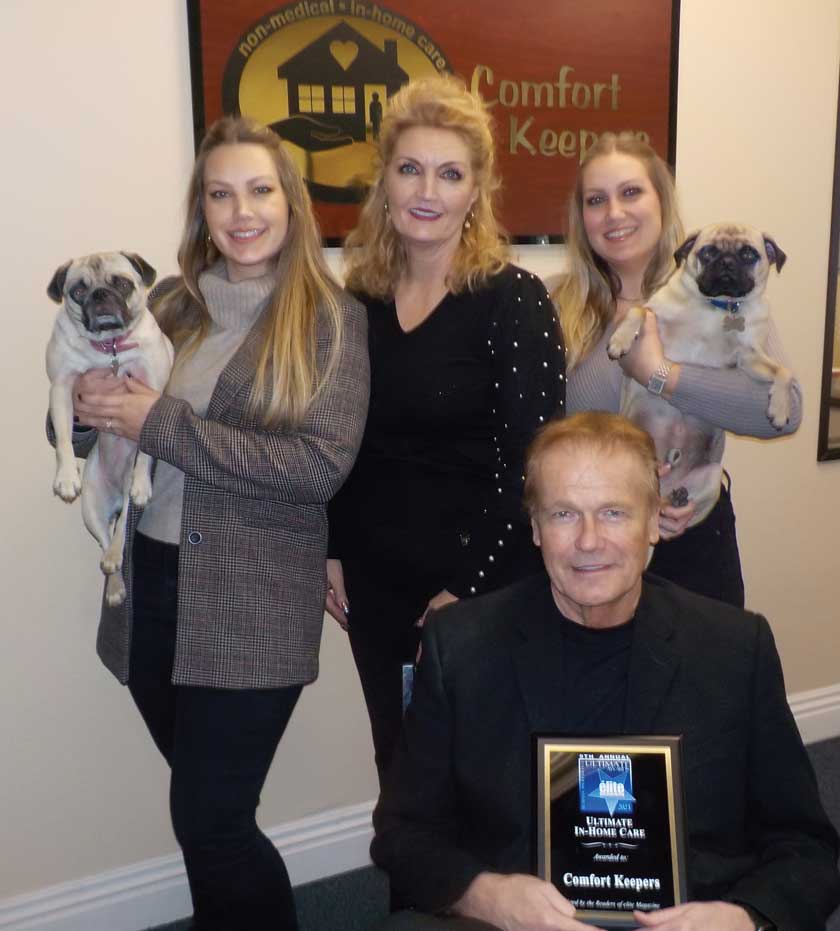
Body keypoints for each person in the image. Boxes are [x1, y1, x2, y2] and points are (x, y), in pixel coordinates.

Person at [66, 116, 369, 930]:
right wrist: (89, 413)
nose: (242, 211)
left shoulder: (332, 319)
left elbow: (318, 467)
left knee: (213, 821)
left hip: (253, 600)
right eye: (221, 193)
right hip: (150, 587)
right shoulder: (169, 302)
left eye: (260, 190)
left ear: (291, 201)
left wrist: (160, 422)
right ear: (201, 208)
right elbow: (103, 424)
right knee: (208, 819)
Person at [371, 412, 840, 931]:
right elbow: (402, 832)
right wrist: (489, 898)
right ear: (536, 529)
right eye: (564, 515)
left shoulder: (734, 648)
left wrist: (742, 918)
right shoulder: (462, 646)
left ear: (654, 522)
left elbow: (808, 846)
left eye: (614, 513)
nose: (589, 541)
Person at [327, 74, 565, 783]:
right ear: (385, 182)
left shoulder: (513, 300)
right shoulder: (357, 303)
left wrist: (464, 590)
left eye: (450, 173)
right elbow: (340, 440)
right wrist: (331, 548)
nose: (427, 191)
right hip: (375, 584)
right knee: (400, 769)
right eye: (410, 169)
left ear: (476, 192)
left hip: (482, 586)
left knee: (481, 778)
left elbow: (534, 461)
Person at [550, 132, 802, 608]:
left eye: (631, 192)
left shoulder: (725, 300)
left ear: (661, 202)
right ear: (581, 217)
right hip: (589, 543)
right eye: (596, 200)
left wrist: (659, 373)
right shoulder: (553, 302)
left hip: (691, 526)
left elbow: (785, 414)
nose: (614, 213)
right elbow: (537, 432)